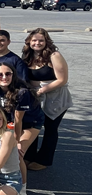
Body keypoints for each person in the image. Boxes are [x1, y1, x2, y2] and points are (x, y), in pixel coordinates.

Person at [0, 62, 44, 195]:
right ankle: (1, 182)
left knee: (17, 152)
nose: (4, 77)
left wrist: (16, 141)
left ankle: (22, 189)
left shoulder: (22, 92)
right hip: (10, 122)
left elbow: (19, 120)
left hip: (30, 123)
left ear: (13, 75)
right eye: (0, 74)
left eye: (8, 74)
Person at [21, 28, 71, 170]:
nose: (37, 43)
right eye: (34, 40)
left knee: (50, 128)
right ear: (29, 41)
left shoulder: (54, 55)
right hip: (35, 97)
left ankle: (44, 160)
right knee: (32, 126)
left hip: (55, 97)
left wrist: (42, 90)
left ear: (46, 41)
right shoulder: (28, 56)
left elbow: (62, 79)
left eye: (41, 40)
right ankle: (28, 156)